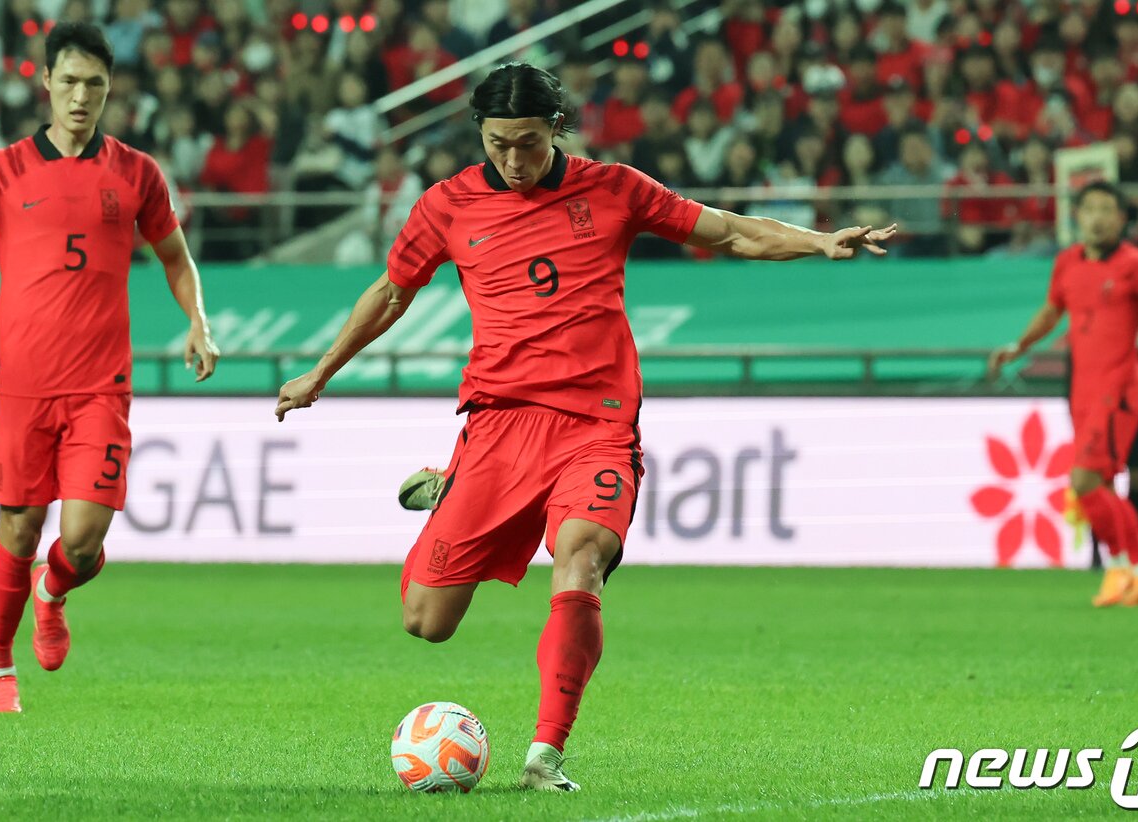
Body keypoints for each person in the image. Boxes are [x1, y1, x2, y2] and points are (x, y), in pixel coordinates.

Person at [274, 62, 894, 791]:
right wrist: (322, 370)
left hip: (595, 427)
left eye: (529, 143)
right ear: (480, 132)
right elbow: (391, 292)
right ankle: (453, 485)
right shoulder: (447, 206)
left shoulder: (614, 189)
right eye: (500, 143)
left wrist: (816, 240)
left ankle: (545, 755)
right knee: (425, 620)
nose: (513, 159)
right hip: (498, 427)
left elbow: (728, 232)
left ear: (555, 129)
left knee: (581, 559)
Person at [0, 22, 221, 713]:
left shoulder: (137, 173)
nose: (81, 96)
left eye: (95, 85)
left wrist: (197, 323)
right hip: (22, 385)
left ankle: (52, 594)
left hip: (99, 386)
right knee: (18, 533)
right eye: (69, 82)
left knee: (82, 541)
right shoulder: (1, 171)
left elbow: (176, 257)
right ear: (45, 83)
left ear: (109, 90)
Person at [990, 181, 1138, 607]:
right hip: (1082, 389)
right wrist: (1019, 346)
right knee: (1097, 484)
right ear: (1076, 216)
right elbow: (1051, 311)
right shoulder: (1066, 263)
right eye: (1089, 209)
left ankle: (1134, 568)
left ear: (1121, 219)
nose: (1097, 217)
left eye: (1106, 209)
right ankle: (1134, 571)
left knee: (1084, 480)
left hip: (1119, 388)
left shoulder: (1136, 264)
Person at [1073, 306, 1138, 571]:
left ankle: (1134, 552)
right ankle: (1100, 551)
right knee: (1098, 480)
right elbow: (1076, 357)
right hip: (1103, 404)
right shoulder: (1099, 307)